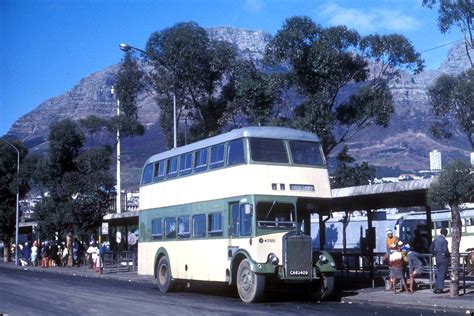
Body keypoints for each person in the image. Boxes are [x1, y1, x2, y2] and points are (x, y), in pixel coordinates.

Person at [429, 228, 450, 294]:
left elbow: (431, 249)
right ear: (446, 233)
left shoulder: (436, 239)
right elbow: (445, 250)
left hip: (437, 258)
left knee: (439, 273)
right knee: (442, 273)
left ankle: (436, 287)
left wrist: (435, 254)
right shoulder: (444, 241)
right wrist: (448, 255)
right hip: (443, 258)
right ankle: (439, 288)